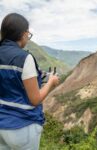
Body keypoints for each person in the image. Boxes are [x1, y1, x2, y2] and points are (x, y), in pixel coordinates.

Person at [0, 13, 59, 150]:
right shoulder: (24, 58)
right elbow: (35, 99)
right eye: (28, 33)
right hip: (22, 126)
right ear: (23, 34)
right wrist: (51, 82)